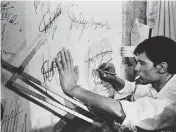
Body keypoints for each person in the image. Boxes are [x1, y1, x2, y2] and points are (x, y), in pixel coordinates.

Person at [55, 36, 176, 132]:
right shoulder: (162, 84)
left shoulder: (170, 104)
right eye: (136, 62)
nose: (136, 68)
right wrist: (113, 79)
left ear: (162, 67)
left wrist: (73, 88)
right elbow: (135, 90)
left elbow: (119, 110)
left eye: (142, 63)